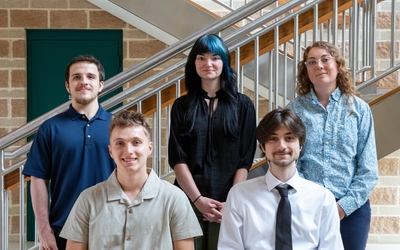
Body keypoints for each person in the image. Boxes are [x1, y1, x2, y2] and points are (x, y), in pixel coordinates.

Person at [60, 110, 202, 249]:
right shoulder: (87, 200)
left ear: (149, 148)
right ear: (111, 151)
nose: (128, 151)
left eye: (136, 142)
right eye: (120, 143)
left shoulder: (175, 198)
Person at [285, 41, 378, 250]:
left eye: (325, 59)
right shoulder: (294, 110)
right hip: (307, 208)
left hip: (352, 211)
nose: (319, 65)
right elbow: (290, 161)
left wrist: (342, 208)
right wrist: (310, 200)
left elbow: (368, 169)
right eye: (312, 62)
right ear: (306, 70)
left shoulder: (359, 110)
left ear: (337, 65)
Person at [168, 34, 257, 250]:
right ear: (194, 63)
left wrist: (232, 202)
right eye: (201, 57)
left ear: (224, 63)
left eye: (215, 57)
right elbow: (178, 158)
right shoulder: (181, 105)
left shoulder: (243, 105)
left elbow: (244, 160)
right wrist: (197, 199)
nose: (208, 63)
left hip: (228, 201)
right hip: (188, 200)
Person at [22, 55, 116, 250]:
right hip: (64, 230)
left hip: (112, 227)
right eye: (76, 77)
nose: (84, 81)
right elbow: (38, 178)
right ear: (67, 86)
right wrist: (43, 229)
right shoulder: (50, 128)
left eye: (90, 76)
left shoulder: (118, 126)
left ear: (101, 85)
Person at [218, 108, 344, 250]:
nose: (281, 146)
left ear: (300, 145)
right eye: (273, 139)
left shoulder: (323, 198)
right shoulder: (239, 195)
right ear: (263, 147)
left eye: (289, 138)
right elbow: (229, 247)